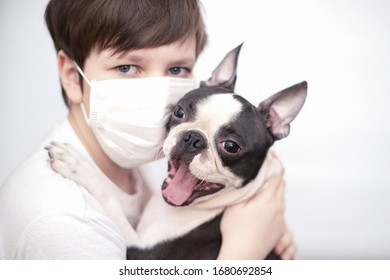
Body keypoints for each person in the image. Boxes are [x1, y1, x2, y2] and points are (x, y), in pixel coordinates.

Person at [0, 0, 295, 260]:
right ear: (71, 76)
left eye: (177, 69)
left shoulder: (127, 160)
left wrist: (266, 227)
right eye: (127, 67)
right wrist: (243, 257)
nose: (157, 92)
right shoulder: (67, 227)